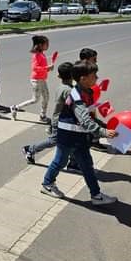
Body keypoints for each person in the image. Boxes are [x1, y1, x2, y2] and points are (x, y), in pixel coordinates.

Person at [40, 60, 118, 205]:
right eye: (94, 75)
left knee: (87, 165)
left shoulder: (86, 92)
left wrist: (105, 126)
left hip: (78, 137)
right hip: (68, 136)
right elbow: (84, 119)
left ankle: (96, 195)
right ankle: (47, 184)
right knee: (60, 161)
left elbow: (89, 116)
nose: (97, 78)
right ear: (83, 78)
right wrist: (103, 132)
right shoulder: (76, 95)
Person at [22, 61, 74, 164]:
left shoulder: (63, 87)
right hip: (60, 121)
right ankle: (30, 149)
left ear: (59, 76)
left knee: (71, 140)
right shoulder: (68, 90)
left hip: (62, 120)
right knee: (54, 140)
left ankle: (73, 162)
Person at [11, 35, 54, 122]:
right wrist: (47, 68)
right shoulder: (37, 55)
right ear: (40, 45)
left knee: (46, 97)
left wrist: (48, 69)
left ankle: (42, 115)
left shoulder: (42, 54)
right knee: (35, 99)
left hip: (42, 79)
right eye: (46, 44)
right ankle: (15, 107)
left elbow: (42, 68)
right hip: (36, 80)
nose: (48, 45)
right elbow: (35, 68)